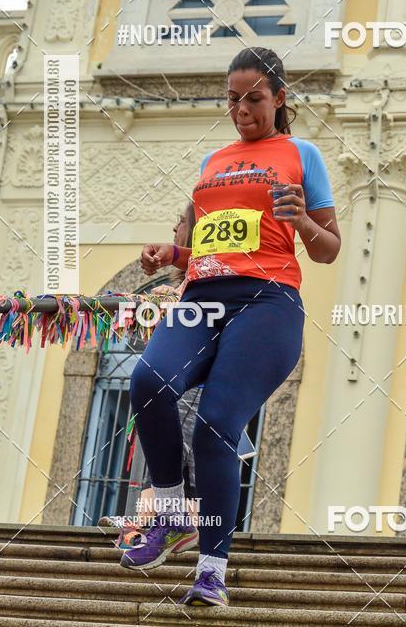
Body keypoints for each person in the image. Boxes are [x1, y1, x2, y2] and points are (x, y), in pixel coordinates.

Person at [121, 46, 340, 608]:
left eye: (254, 99)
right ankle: (171, 513)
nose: (242, 110)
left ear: (279, 98)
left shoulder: (302, 154)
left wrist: (301, 221)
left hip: (266, 302)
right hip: (202, 296)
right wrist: (172, 253)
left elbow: (328, 249)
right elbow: (210, 247)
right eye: (233, 99)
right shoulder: (213, 161)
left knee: (215, 425)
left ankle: (212, 571)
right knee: (148, 382)